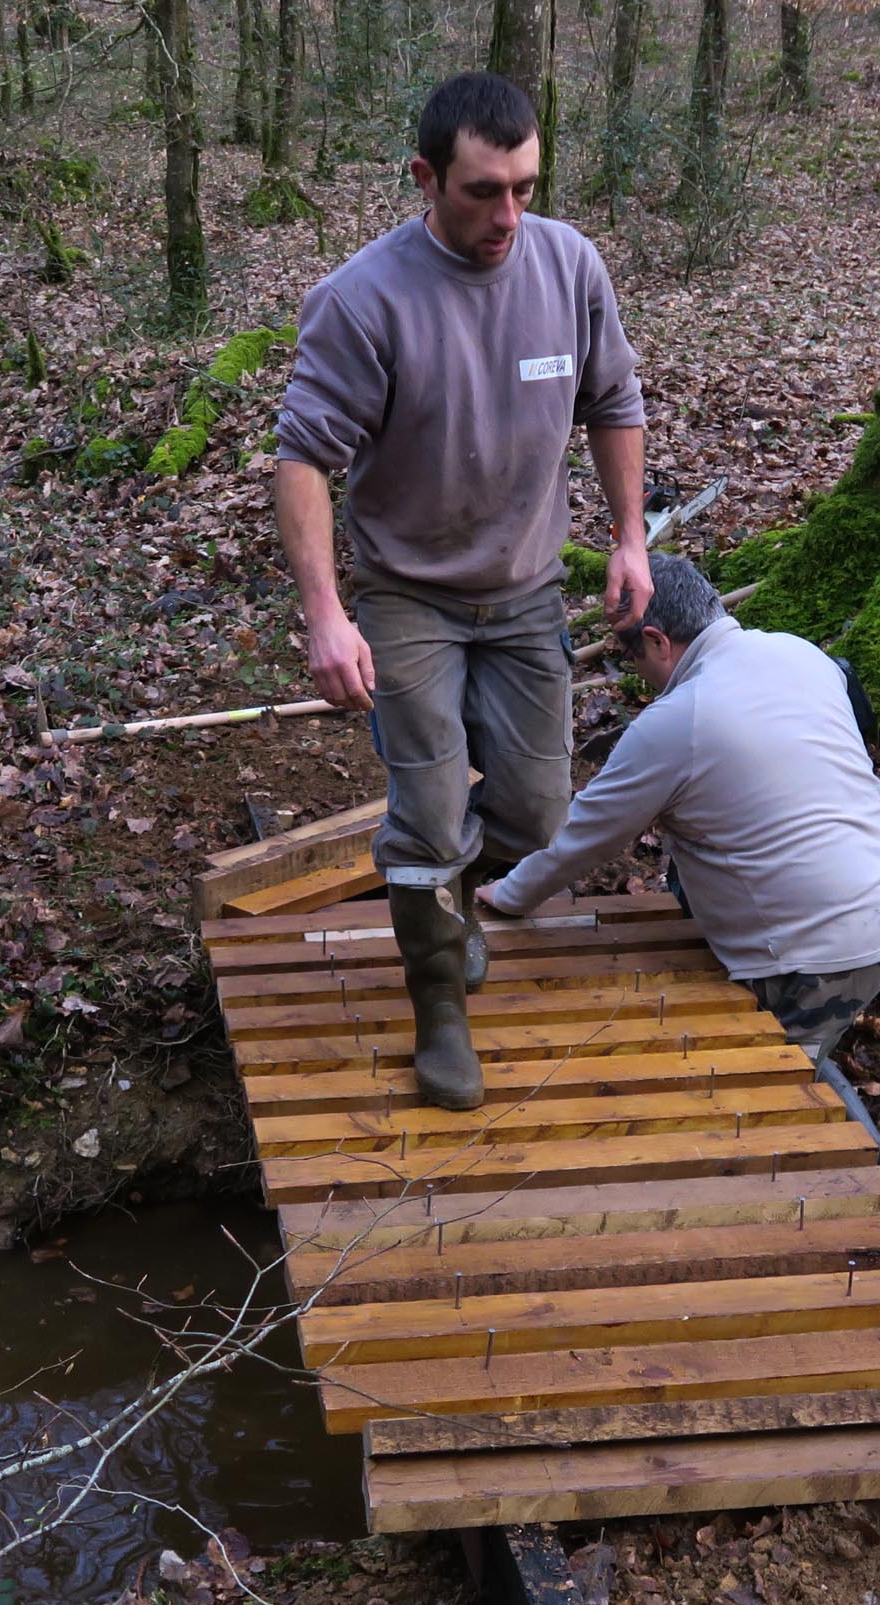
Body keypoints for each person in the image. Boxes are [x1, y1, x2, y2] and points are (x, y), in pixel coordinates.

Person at [273, 72, 652, 1111]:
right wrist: (326, 614)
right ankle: (440, 1012)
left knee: (538, 814)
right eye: (484, 191)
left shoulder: (569, 267)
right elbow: (301, 457)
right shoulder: (366, 299)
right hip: (408, 598)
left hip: (527, 588)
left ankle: (459, 910)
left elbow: (613, 401)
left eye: (526, 187)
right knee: (432, 817)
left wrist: (629, 540)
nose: (508, 216)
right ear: (426, 179)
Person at [480, 555, 880, 1063]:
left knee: (764, 1085)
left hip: (813, 961)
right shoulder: (801, 654)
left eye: (631, 654)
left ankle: (811, 1087)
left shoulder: (677, 720)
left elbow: (584, 839)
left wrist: (508, 895)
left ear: (658, 641)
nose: (637, 672)